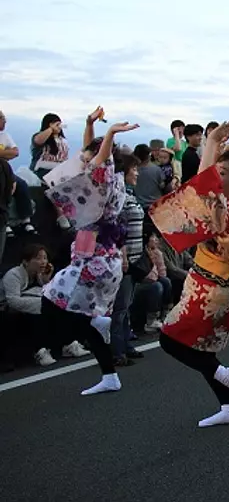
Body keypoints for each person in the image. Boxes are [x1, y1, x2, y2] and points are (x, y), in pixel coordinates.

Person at [150, 121, 229, 428]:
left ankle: (222, 373)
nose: (215, 178)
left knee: (170, 341)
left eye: (222, 174)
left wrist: (210, 144)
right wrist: (214, 148)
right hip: (220, 286)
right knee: (201, 347)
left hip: (212, 289)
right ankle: (228, 406)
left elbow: (197, 193)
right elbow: (202, 189)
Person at [41, 108, 139, 395]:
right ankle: (109, 374)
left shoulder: (105, 179)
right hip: (101, 259)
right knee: (87, 321)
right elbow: (91, 152)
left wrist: (108, 134)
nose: (83, 160)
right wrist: (89, 124)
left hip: (93, 261)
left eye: (90, 157)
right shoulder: (108, 178)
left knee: (50, 299)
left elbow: (98, 158)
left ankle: (91, 328)